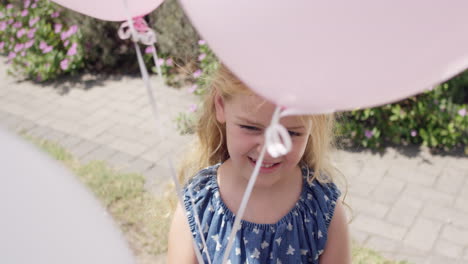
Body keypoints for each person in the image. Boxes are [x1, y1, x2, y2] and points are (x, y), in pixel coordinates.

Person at [167, 64, 351, 264]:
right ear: (220, 105)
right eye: (250, 127)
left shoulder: (323, 209)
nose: (269, 149)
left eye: (291, 133)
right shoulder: (198, 204)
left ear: (313, 124)